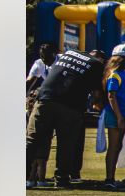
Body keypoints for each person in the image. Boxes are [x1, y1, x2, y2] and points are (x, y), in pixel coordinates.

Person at [25, 48, 104, 188]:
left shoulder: (69, 53)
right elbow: (97, 94)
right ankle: (61, 179)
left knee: (32, 139)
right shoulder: (96, 65)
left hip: (45, 99)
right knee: (66, 143)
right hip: (70, 106)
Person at [102, 44, 125, 189]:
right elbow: (111, 96)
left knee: (118, 146)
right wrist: (119, 117)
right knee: (114, 147)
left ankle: (112, 177)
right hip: (116, 115)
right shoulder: (115, 74)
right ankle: (109, 178)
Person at [26, 43, 57, 119]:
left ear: (54, 54)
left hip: (63, 91)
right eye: (42, 56)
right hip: (49, 92)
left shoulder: (63, 61)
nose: (44, 60)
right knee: (32, 97)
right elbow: (29, 81)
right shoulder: (39, 63)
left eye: (46, 57)